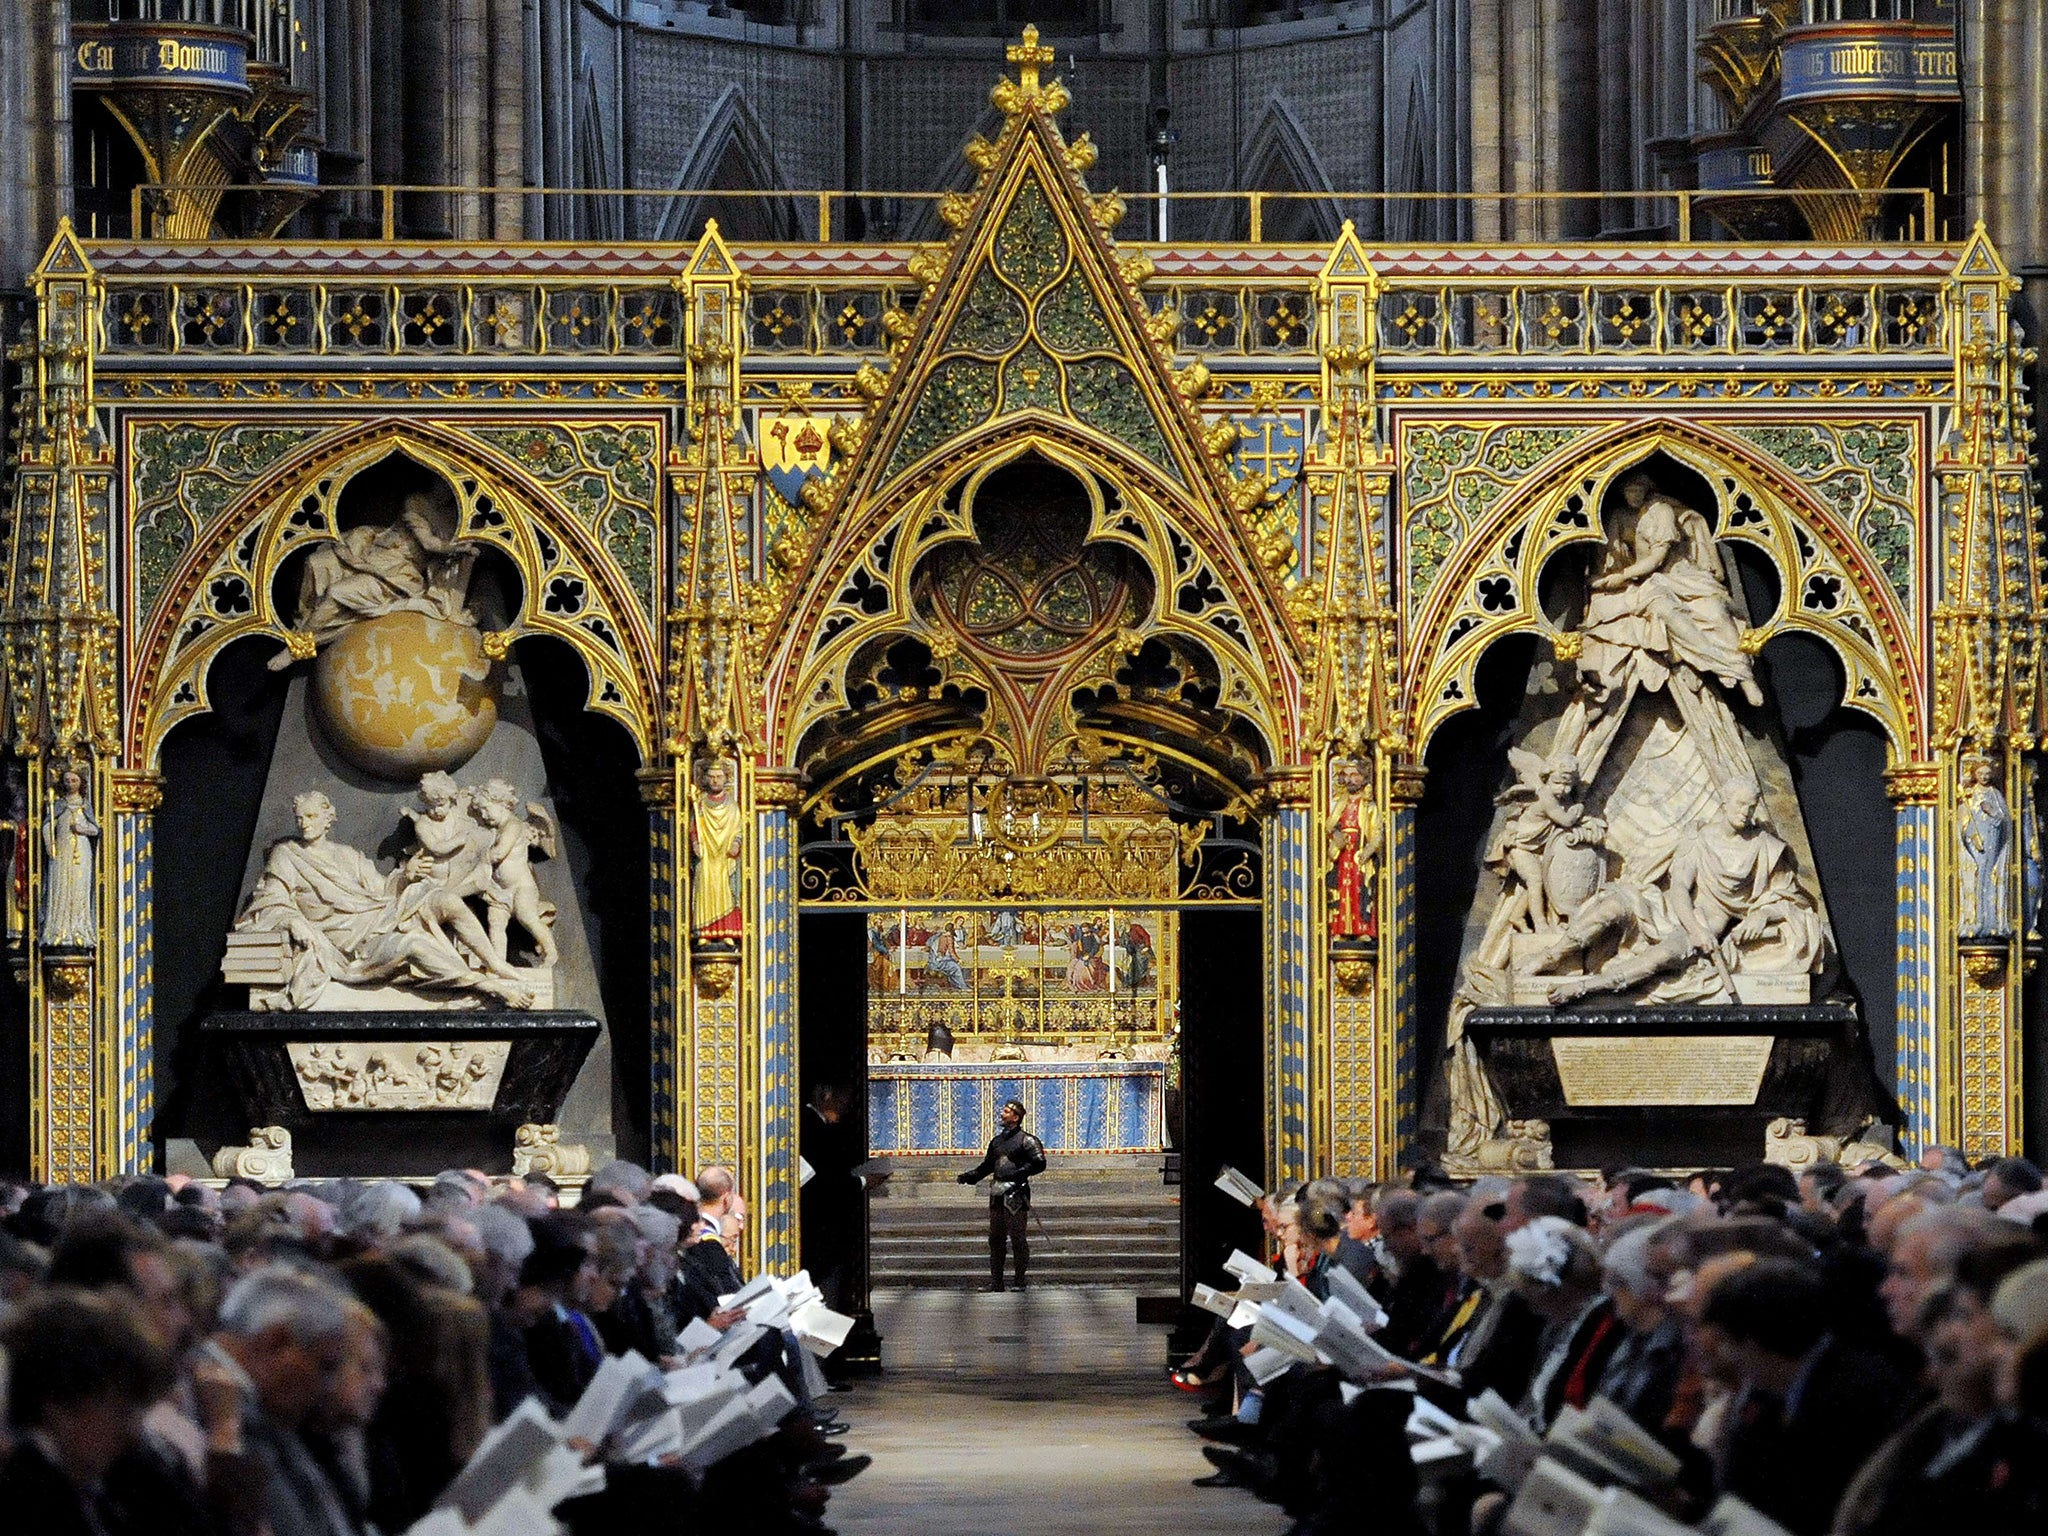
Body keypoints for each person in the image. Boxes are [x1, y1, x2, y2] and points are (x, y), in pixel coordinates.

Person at [956, 1099, 1046, 1292]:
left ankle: (1020, 1281)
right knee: (995, 1239)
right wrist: (971, 1176)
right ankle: (996, 1282)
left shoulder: (1027, 1140)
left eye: (1006, 1112)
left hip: (1015, 1193)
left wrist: (1019, 1173)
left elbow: (1039, 1163)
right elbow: (988, 1166)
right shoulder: (997, 1142)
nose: (1002, 1115)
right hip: (997, 1194)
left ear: (1016, 1117)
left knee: (1017, 1239)